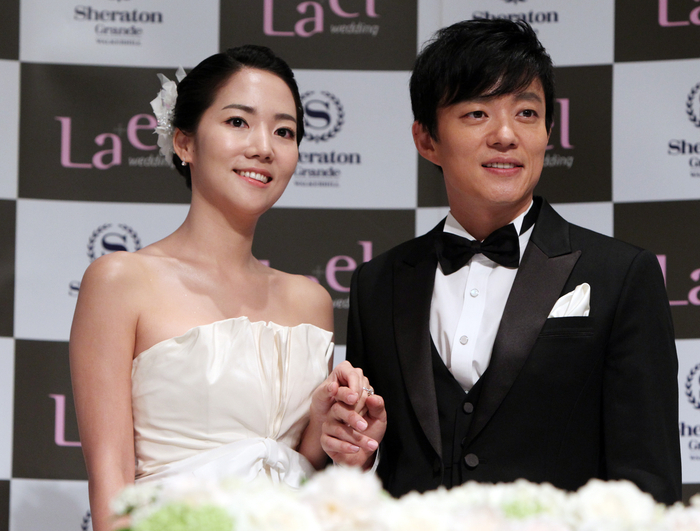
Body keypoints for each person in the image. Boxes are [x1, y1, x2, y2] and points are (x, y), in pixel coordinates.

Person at [339, 19, 682, 504]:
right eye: (477, 113)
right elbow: (364, 465)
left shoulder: (621, 275)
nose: (505, 135)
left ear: (548, 131)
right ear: (426, 139)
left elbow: (649, 486)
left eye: (526, 113)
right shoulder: (378, 284)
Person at [70, 45, 382, 531]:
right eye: (238, 122)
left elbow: (301, 472)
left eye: (284, 131)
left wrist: (338, 435)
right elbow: (112, 485)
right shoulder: (121, 281)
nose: (264, 147)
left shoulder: (310, 301)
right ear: (184, 143)